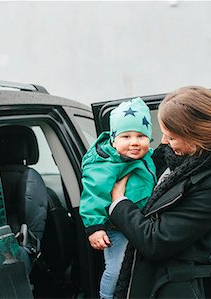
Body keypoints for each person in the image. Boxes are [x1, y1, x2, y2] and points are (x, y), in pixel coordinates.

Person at [109, 86, 211, 298]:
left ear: (195, 137)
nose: (164, 142)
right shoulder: (172, 156)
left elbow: (156, 242)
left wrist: (119, 203)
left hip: (167, 286)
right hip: (144, 277)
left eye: (171, 136)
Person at [79, 97, 157, 299]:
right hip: (117, 228)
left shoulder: (146, 157)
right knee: (116, 269)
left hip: (140, 224)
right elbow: (93, 195)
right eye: (126, 136)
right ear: (113, 140)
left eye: (141, 136)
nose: (134, 142)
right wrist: (95, 228)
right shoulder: (106, 164)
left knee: (136, 268)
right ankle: (107, 296)